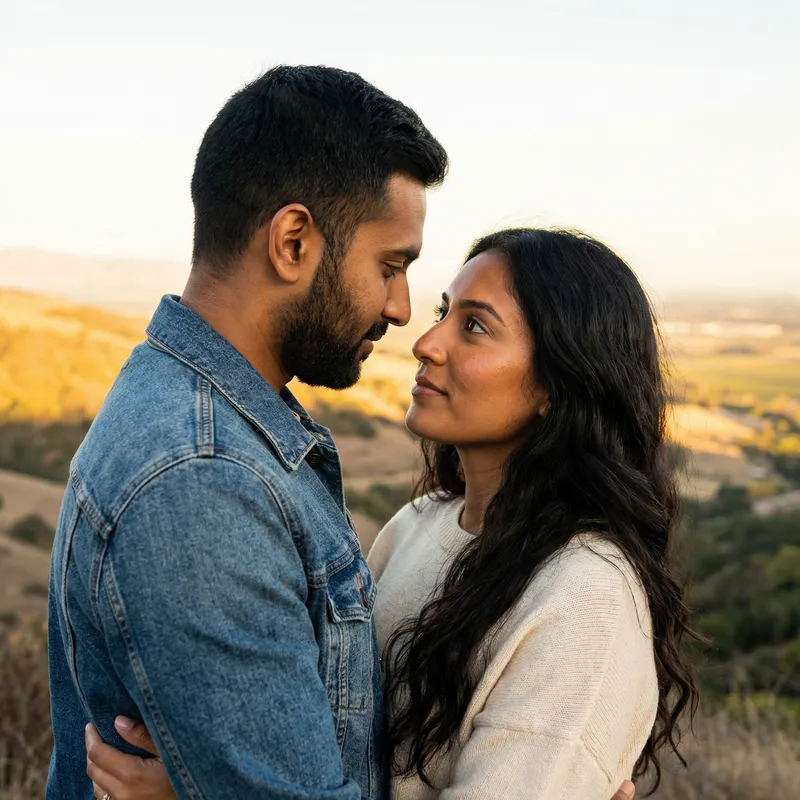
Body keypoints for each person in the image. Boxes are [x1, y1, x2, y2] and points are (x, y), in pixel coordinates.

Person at [83, 230, 696, 800]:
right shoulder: (419, 525)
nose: (428, 344)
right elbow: (332, 742)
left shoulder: (586, 595)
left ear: (557, 386)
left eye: (476, 327)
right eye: (443, 314)